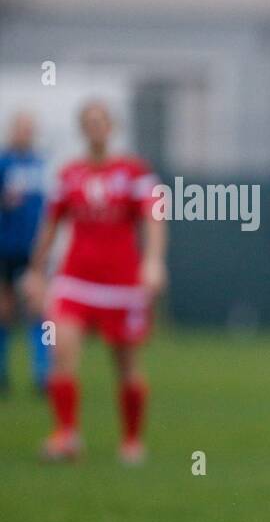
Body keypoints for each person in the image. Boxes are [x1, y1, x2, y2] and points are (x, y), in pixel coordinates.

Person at [22, 101, 165, 464]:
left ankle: (132, 441)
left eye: (101, 121)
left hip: (122, 284)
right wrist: (36, 272)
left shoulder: (134, 172)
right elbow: (51, 225)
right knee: (61, 352)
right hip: (75, 280)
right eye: (89, 122)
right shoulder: (69, 174)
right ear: (82, 129)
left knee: (127, 364)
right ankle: (66, 435)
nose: (96, 128)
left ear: (112, 127)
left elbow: (153, 218)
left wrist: (153, 261)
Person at [0, 112, 50, 395]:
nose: (26, 134)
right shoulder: (3, 163)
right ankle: (2, 372)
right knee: (4, 310)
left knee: (39, 310)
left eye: (29, 129)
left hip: (35, 250)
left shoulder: (42, 165)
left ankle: (42, 374)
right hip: (5, 247)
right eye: (21, 128)